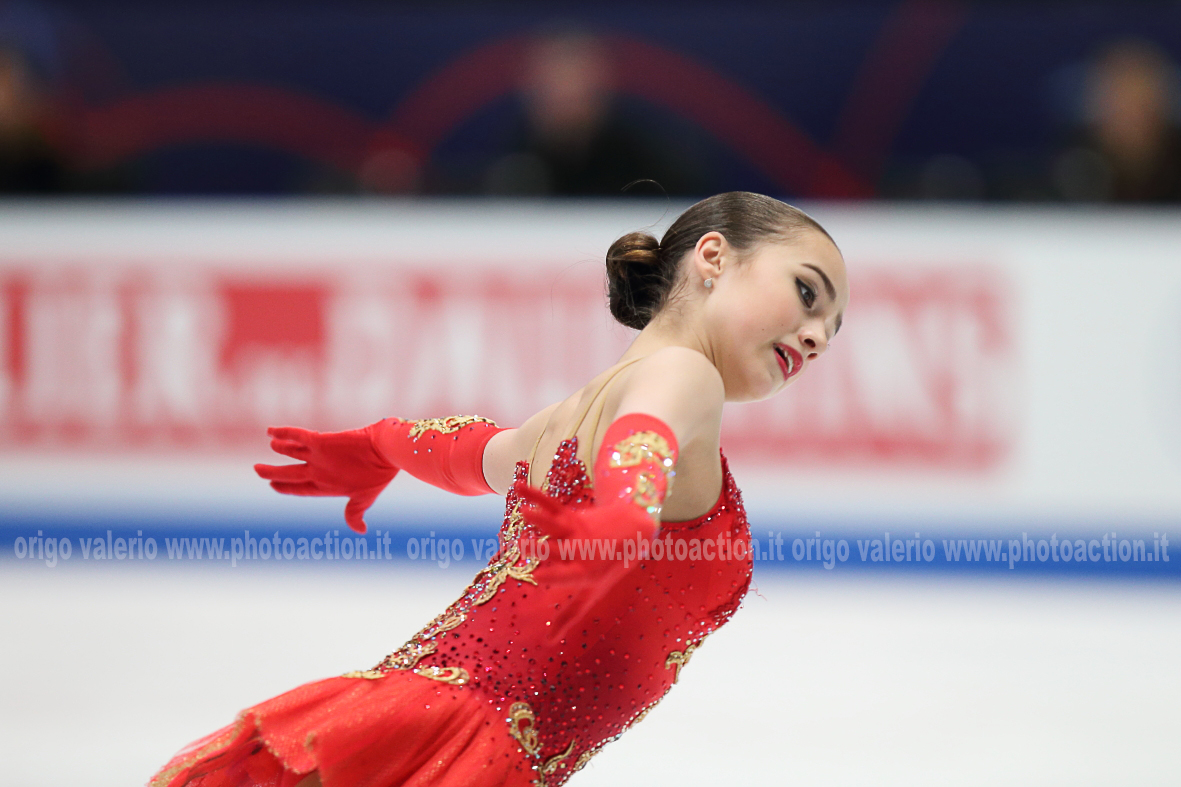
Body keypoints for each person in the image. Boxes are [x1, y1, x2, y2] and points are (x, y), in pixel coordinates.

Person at [149, 191, 848, 787]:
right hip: (462, 746)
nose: (817, 336)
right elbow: (646, 442)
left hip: (430, 719)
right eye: (807, 293)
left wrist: (380, 444)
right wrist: (624, 514)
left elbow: (474, 453)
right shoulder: (684, 374)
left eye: (832, 328)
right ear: (713, 257)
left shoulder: (561, 422)